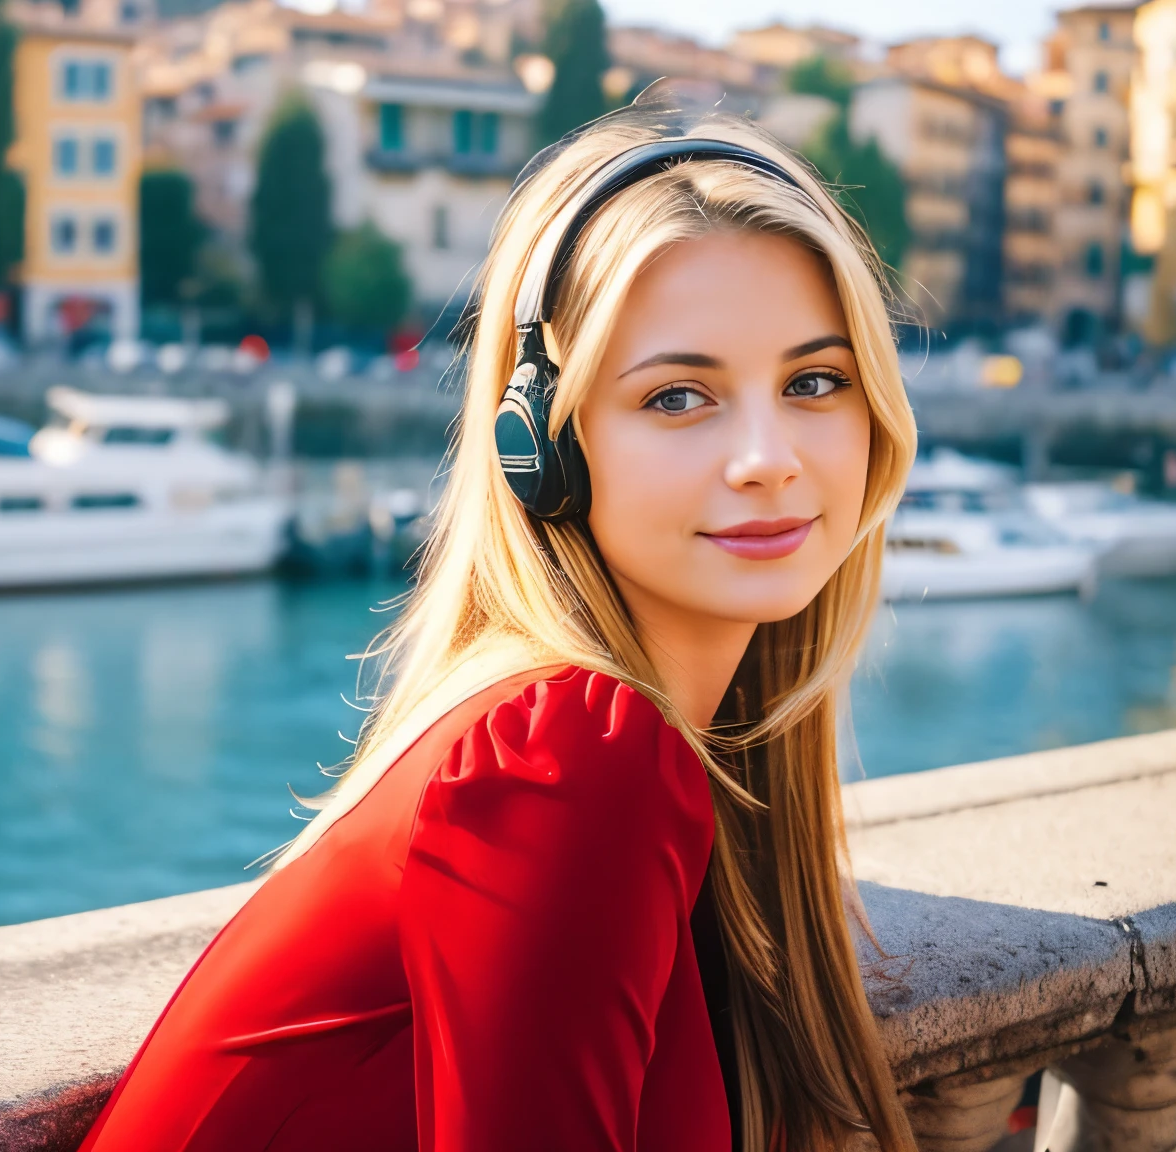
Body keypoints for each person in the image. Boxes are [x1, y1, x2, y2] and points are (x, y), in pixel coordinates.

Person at [78, 106, 918, 1152]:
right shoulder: (566, 757)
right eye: (676, 398)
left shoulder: (585, 736)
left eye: (812, 382)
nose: (767, 456)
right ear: (539, 449)